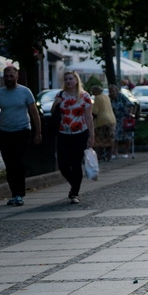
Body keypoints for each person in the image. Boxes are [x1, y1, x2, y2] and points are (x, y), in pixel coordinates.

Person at [0, 66, 42, 206]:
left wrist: (38, 132)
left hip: (22, 130)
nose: (9, 79)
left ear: (17, 76)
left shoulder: (25, 92)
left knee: (18, 161)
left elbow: (34, 112)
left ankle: (19, 193)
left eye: (11, 76)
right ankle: (14, 193)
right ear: (3, 78)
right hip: (4, 132)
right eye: (6, 76)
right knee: (9, 163)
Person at [53, 71, 95, 204]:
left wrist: (91, 135)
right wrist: (56, 103)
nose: (68, 81)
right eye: (66, 79)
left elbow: (89, 116)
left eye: (71, 79)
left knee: (76, 164)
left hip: (80, 134)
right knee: (63, 165)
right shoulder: (60, 95)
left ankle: (74, 192)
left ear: (76, 81)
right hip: (63, 134)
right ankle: (74, 184)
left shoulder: (84, 96)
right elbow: (53, 112)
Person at [90, 86, 116, 162]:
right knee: (110, 139)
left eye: (93, 92)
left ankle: (99, 156)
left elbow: (95, 112)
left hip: (102, 121)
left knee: (99, 140)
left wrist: (90, 120)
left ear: (96, 92)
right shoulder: (106, 97)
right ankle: (109, 157)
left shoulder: (97, 98)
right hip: (112, 119)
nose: (93, 94)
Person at [109, 84, 135, 158]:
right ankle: (115, 152)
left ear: (116, 91)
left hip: (124, 118)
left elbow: (131, 105)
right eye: (110, 91)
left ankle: (126, 152)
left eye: (113, 91)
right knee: (115, 136)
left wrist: (130, 113)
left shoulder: (121, 97)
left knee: (127, 135)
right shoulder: (109, 98)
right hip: (114, 119)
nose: (112, 93)